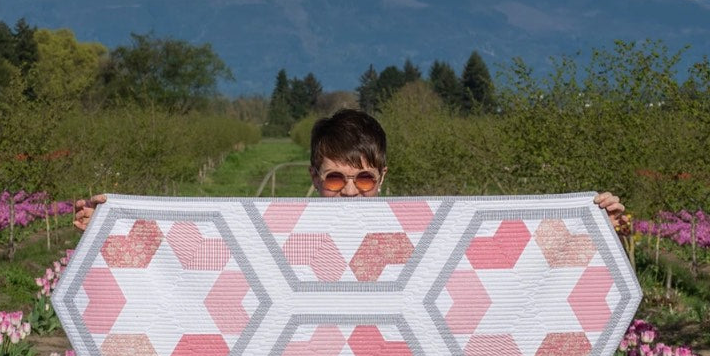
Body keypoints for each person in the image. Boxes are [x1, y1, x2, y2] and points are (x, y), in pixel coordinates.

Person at [73, 107, 626, 227]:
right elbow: (193, 246)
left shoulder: (424, 230)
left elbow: (512, 244)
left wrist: (595, 227)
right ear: (315, 178)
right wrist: (112, 227)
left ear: (382, 176)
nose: (351, 192)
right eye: (337, 178)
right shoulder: (277, 228)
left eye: (364, 179)